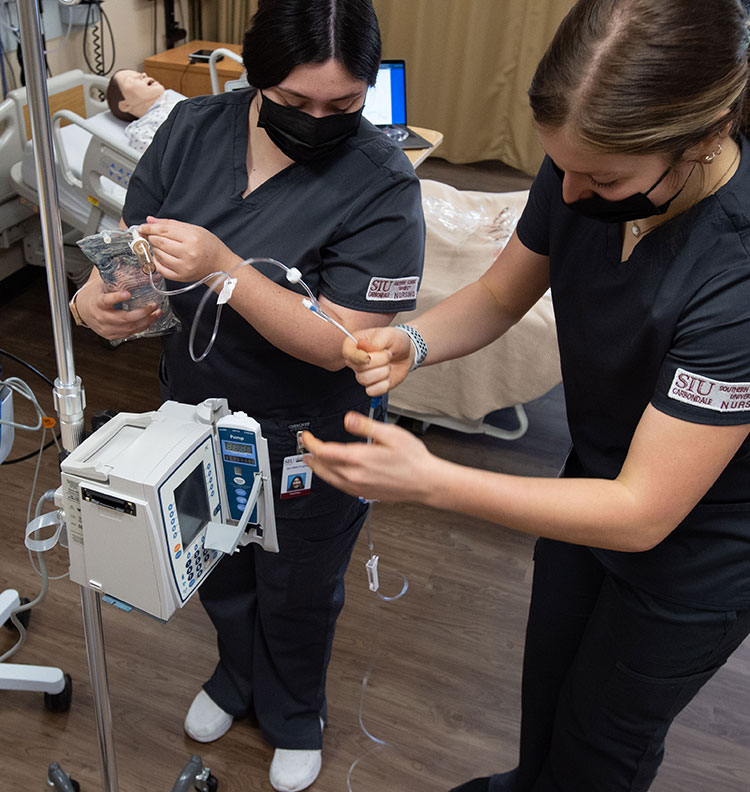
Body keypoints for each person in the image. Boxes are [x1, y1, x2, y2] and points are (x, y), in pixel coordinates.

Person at [301, 1, 750, 790]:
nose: (571, 194)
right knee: (546, 698)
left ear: (708, 133)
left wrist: (436, 482)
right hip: (594, 477)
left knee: (602, 743)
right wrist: (413, 341)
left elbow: (645, 512)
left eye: (603, 179)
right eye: (561, 166)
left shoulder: (735, 271)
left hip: (702, 544)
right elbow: (505, 292)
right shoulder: (582, 166)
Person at [71, 1, 425, 790]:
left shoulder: (382, 183)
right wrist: (98, 298)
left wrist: (227, 266)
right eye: (297, 101)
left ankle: (297, 711)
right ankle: (237, 677)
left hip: (313, 433)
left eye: (344, 104)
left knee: (297, 586)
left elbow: (346, 341)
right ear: (256, 76)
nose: (319, 120)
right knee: (218, 564)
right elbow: (136, 250)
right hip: (196, 412)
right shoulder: (196, 128)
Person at [106, 69, 185, 153]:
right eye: (130, 80)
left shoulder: (175, 102)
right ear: (125, 106)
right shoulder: (142, 130)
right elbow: (157, 160)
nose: (143, 74)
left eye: (140, 73)